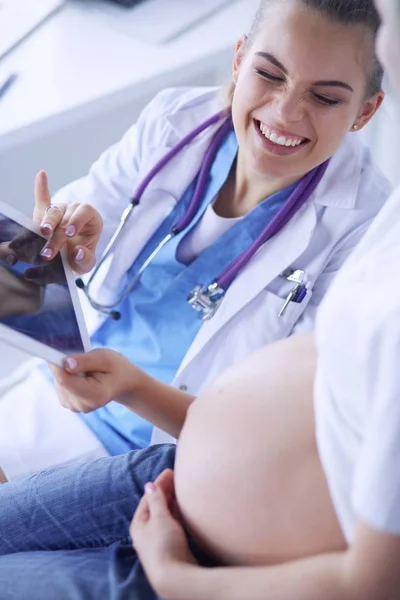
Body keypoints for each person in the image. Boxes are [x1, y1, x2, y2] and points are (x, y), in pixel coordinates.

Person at [0, 0, 399, 598]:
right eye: (269, 74)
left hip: (165, 449)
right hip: (61, 390)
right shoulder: (175, 120)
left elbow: (282, 432)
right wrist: (67, 234)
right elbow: (96, 204)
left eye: (327, 97)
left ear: (366, 111)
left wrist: (134, 387)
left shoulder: (365, 231)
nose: (286, 112)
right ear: (239, 60)